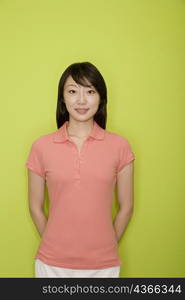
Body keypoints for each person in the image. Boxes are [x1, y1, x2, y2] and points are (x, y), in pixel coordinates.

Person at [25, 61, 135, 278]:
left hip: (103, 266)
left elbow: (127, 206)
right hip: (51, 265)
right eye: (73, 91)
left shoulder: (120, 146)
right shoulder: (41, 147)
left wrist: (108, 244)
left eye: (90, 91)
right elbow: (35, 206)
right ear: (62, 98)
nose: (81, 100)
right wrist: (54, 244)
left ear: (101, 97)